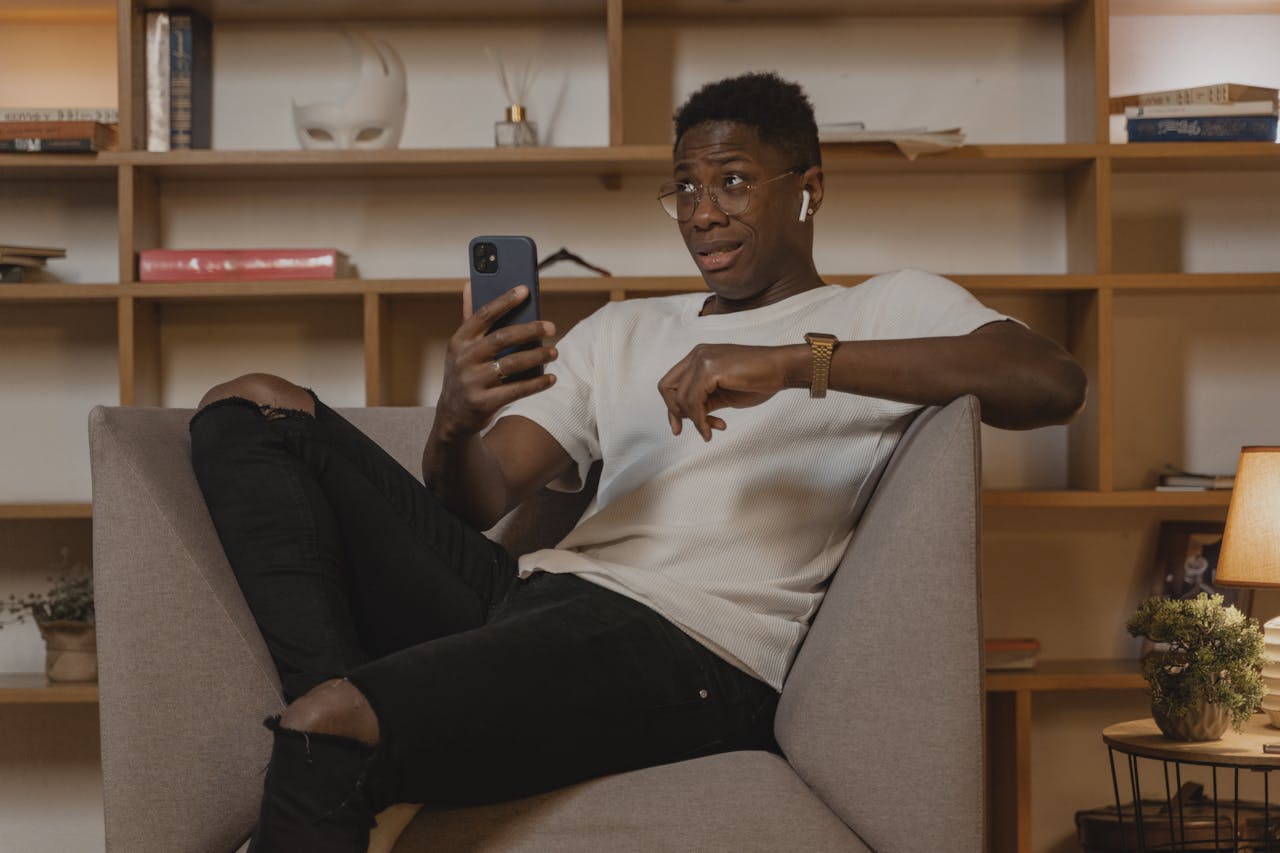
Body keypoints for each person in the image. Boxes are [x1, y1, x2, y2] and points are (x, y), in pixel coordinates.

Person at [189, 71, 1086, 852]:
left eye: (732, 181)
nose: (702, 213)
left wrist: (792, 362)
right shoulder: (623, 326)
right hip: (525, 598)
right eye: (685, 188)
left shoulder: (887, 306)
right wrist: (455, 420)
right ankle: (349, 732)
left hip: (688, 648)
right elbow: (477, 498)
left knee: (332, 725)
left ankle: (346, 733)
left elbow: (1048, 380)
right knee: (252, 405)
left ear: (808, 188)